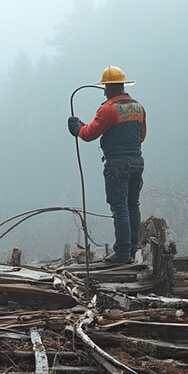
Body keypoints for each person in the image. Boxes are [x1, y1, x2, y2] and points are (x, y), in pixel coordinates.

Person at [67, 66, 147, 264]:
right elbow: (142, 136)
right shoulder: (138, 107)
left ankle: (121, 253)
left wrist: (76, 127)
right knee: (132, 205)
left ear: (110, 88)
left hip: (116, 164)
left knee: (119, 208)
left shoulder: (107, 109)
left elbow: (88, 134)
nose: (103, 91)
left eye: (105, 87)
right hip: (137, 161)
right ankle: (132, 249)